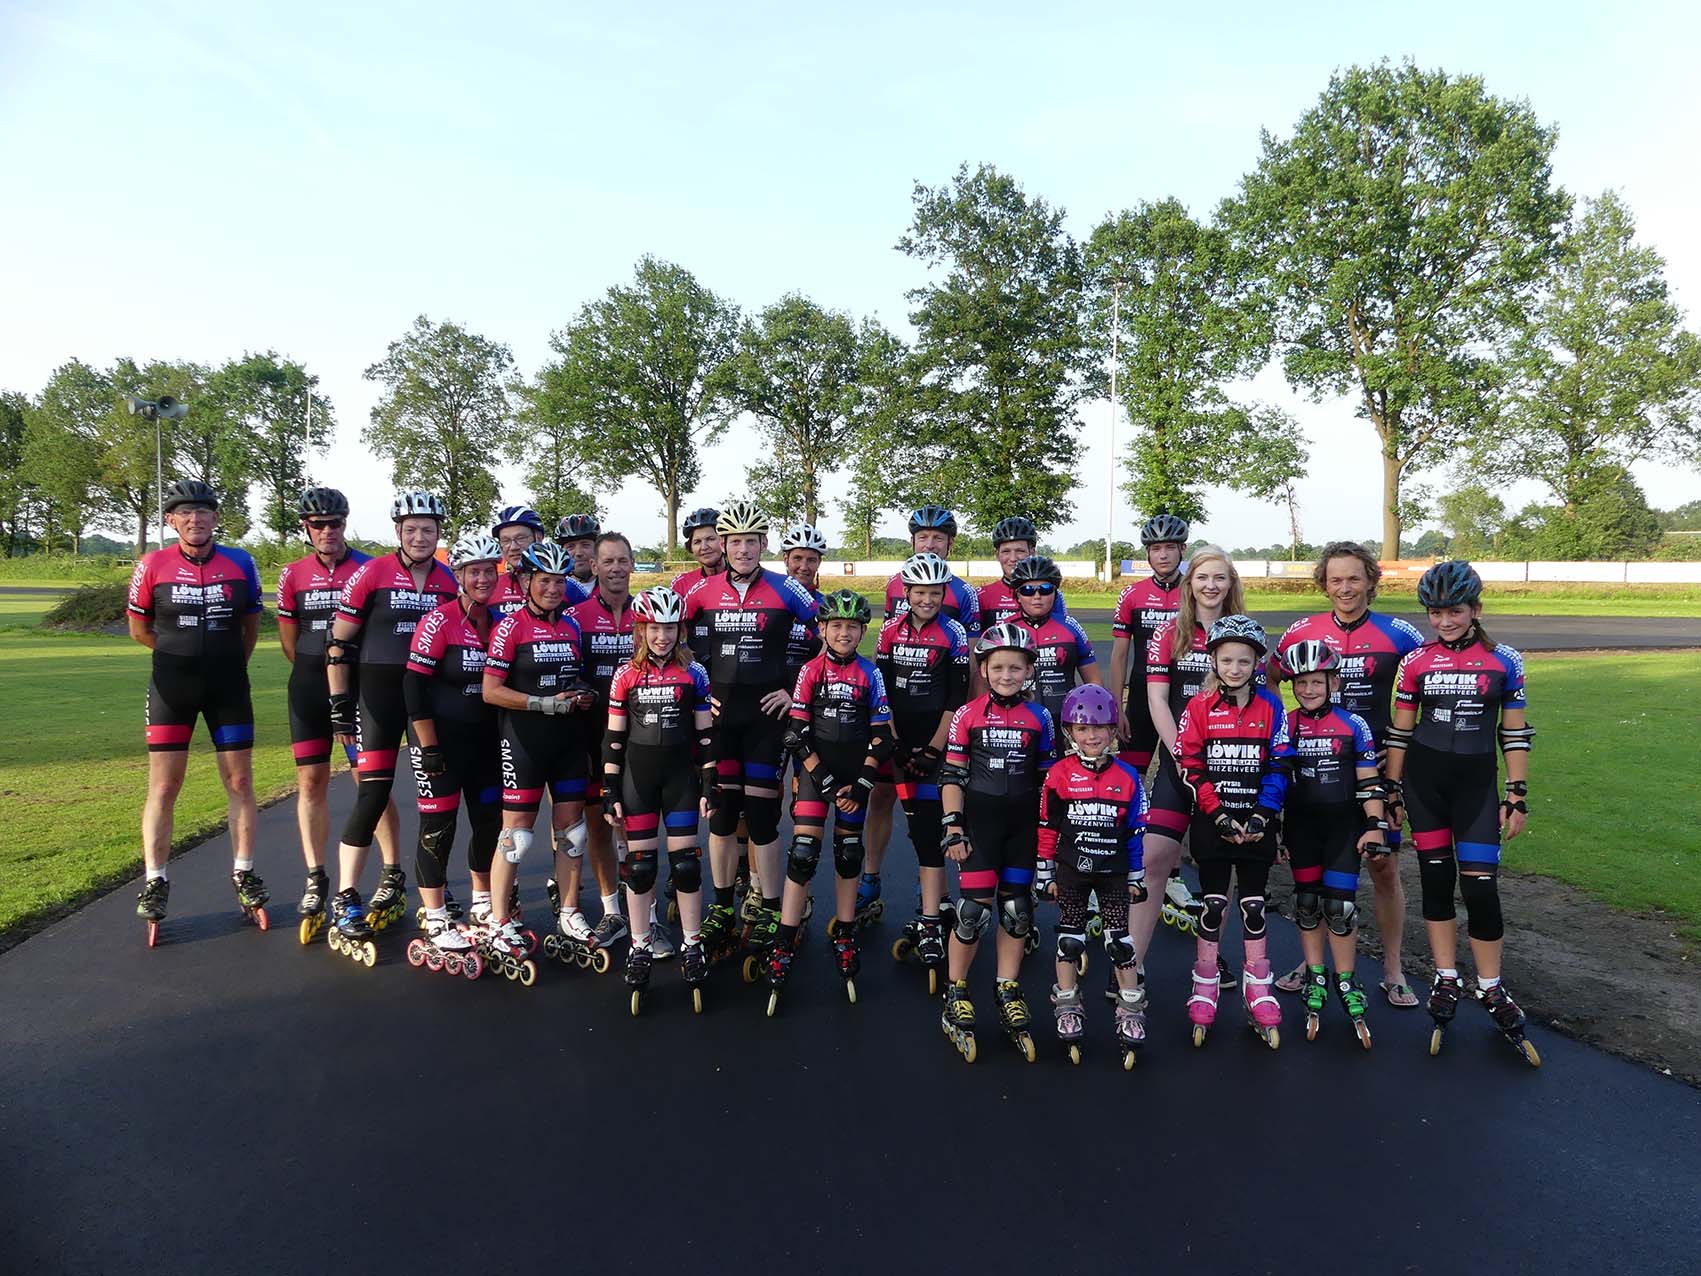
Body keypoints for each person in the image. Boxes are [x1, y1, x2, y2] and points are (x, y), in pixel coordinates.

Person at [1384, 561, 1538, 1066]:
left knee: (1480, 890)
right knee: (1435, 882)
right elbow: (1401, 731)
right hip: (1425, 787)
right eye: (1435, 612)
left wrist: (1516, 793)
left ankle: (1491, 985)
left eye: (1454, 611)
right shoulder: (1416, 661)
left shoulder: (1504, 660)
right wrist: (1392, 791)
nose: (1444, 621)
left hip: (1476, 790)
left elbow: (1513, 731)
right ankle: (1446, 977)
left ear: (1476, 609)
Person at [1272, 541, 1426, 1008]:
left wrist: (1399, 757)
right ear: (1324, 583)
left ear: (1371, 581)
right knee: (1316, 875)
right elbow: (1267, 678)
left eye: (1354, 578)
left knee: (1383, 867)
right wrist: (1279, 733)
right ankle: (1313, 964)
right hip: (1317, 771)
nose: (1345, 588)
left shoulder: (1398, 633)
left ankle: (1393, 968)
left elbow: (1427, 687)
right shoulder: (1302, 631)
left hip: (1374, 770)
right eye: (1335, 579)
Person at [680, 501, 820, 965]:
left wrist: (793, 690)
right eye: (735, 541)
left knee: (761, 818)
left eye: (751, 541)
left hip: (766, 717)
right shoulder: (701, 590)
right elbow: (671, 639)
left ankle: (771, 908)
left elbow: (828, 638)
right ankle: (722, 906)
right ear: (724, 545)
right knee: (721, 816)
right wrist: (700, 686)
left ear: (764, 544)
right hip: (720, 718)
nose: (742, 549)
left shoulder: (787, 588)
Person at [126, 478, 265, 943]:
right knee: (165, 786)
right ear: (171, 520)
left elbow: (250, 628)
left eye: (203, 511)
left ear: (215, 518)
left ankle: (244, 872)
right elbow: (139, 629)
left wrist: (223, 665)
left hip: (228, 688)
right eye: (185, 512)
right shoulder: (152, 564)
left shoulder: (241, 562)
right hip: (172, 687)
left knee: (240, 782)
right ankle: (155, 881)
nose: (195, 519)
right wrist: (180, 657)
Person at [323, 491, 457, 955]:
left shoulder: (448, 580)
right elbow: (338, 644)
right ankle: (346, 897)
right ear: (398, 530)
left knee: (435, 799)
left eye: (428, 529)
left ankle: (435, 888)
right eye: (411, 529)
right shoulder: (372, 573)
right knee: (372, 794)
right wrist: (339, 704)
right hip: (377, 701)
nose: (420, 537)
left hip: (427, 704)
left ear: (439, 532)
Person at [276, 487, 401, 943]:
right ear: (306, 528)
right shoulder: (292, 574)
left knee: (370, 784)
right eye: (318, 524)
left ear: (345, 523)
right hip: (309, 688)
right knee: (310, 783)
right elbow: (290, 642)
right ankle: (316, 877)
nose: (328, 531)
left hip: (360, 691)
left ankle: (391, 872)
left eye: (335, 523)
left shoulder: (370, 568)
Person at [1127, 545, 1251, 997]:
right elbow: (1157, 700)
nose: (1211, 585)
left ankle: (1209, 960)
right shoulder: (1169, 633)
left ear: (1231, 583)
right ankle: (1131, 964)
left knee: (1218, 867)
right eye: (1202, 577)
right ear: (1190, 583)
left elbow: (1256, 702)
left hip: (1231, 767)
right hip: (1180, 764)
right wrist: (1180, 756)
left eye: (1220, 577)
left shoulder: (1244, 632)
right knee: (1155, 857)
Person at [766, 590, 892, 1014]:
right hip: (816, 773)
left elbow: (882, 737)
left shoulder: (870, 673)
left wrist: (862, 784)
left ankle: (845, 930)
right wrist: (820, 776)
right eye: (836, 625)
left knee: (848, 853)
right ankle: (785, 938)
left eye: (852, 627)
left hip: (853, 776)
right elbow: (794, 732)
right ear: (821, 628)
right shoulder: (810, 671)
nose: (843, 633)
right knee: (803, 853)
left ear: (863, 631)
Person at [938, 623, 1056, 1064]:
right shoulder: (967, 715)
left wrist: (1052, 836)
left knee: (1017, 910)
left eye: (1016, 668)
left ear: (1029, 671)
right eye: (999, 667)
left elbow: (1048, 782)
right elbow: (953, 775)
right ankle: (956, 989)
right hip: (980, 826)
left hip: (1023, 829)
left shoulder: (1040, 718)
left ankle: (1008, 987)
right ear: (984, 669)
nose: (1007, 675)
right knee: (972, 912)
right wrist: (953, 826)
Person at [1175, 615, 1295, 1049]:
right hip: (1214, 823)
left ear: (1257, 663)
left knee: (1254, 907)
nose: (1235, 668)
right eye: (1227, 660)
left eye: (1244, 661)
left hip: (1257, 823)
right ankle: (1204, 983)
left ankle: (1258, 987)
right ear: (1213, 660)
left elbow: (1280, 763)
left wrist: (1263, 815)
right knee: (1212, 905)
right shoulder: (1198, 707)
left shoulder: (1271, 707)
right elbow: (1190, 765)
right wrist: (1219, 815)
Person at [480, 541, 596, 983]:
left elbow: (575, 677)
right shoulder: (510, 627)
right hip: (524, 741)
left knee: (573, 833)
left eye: (559, 581)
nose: (552, 589)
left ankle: (569, 912)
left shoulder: (571, 625)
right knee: (517, 838)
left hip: (567, 742)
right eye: (544, 580)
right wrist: (542, 704)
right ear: (526, 581)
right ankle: (499, 920)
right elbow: (491, 690)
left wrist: (583, 694)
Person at [603, 586, 715, 1014]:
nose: (662, 636)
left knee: (686, 865)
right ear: (641, 630)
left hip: (680, 779)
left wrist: (710, 781)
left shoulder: (695, 673)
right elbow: (614, 738)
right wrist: (610, 788)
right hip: (638, 779)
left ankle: (692, 944)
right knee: (640, 868)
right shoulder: (624, 674)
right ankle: (639, 945)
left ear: (680, 629)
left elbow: (705, 735)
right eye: (654, 628)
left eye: (669, 628)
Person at [866, 506, 980, 922]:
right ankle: (870, 878)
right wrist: (890, 736)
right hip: (897, 725)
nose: (930, 543)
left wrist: (946, 739)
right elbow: (881, 678)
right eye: (923, 537)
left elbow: (967, 672)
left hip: (939, 723)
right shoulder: (893, 597)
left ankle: (932, 888)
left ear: (950, 543)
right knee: (881, 797)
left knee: (933, 811)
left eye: (938, 538)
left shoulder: (963, 597)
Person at [401, 533, 505, 979]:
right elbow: (413, 687)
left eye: (488, 571)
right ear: (458, 576)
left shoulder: (501, 621)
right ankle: (436, 915)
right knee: (438, 827)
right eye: (473, 571)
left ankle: (482, 901)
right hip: (440, 740)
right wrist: (428, 747)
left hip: (485, 742)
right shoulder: (439, 621)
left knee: (489, 822)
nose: (482, 578)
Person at [1278, 641, 1387, 1048]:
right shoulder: (1286, 724)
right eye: (1300, 683)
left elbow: (1369, 780)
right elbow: (1276, 782)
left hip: (1344, 827)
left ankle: (1346, 979)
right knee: (1306, 903)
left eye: (1316, 682)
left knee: (1340, 908)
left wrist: (1375, 825)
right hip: (1301, 827)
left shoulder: (1354, 725)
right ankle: (1315, 974)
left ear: (1334, 683)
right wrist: (1275, 831)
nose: (1307, 690)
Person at [1038, 684, 1148, 1069]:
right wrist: (1044, 871)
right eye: (1083, 728)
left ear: (1113, 730)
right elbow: (1047, 826)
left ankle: (1130, 1009)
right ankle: (1067, 1003)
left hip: (1114, 872)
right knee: (1070, 940)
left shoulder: (1128, 777)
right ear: (1069, 731)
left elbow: (1135, 832)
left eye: (1100, 727)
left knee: (1121, 943)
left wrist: (1136, 876)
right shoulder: (1058, 774)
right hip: (1071, 870)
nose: (1091, 735)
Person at [876, 553, 972, 990]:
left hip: (938, 742)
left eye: (935, 593)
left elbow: (956, 698)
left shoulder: (954, 633)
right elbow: (882, 693)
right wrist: (896, 743)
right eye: (920, 593)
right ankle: (937, 907)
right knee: (918, 829)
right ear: (907, 593)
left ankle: (932, 917)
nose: (927, 600)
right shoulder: (889, 631)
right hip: (900, 743)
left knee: (934, 828)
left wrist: (935, 749)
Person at [1108, 514, 1194, 944]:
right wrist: (1116, 704)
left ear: (1181, 550)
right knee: (1129, 784)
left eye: (1169, 548)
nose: (1162, 555)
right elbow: (1120, 654)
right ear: (1147, 553)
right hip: (1142, 700)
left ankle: (1173, 874)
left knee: (1182, 784)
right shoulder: (1133, 594)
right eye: (1155, 548)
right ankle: (1122, 864)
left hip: (1183, 699)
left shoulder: (1193, 591)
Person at [561, 531, 639, 954]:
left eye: (622, 560)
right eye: (607, 561)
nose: (615, 568)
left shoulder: (647, 613)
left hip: (640, 736)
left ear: (632, 564)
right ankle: (612, 910)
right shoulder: (575, 616)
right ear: (594, 566)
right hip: (591, 735)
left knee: (638, 827)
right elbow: (562, 670)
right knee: (598, 824)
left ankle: (642, 909)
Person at [1009, 554, 1100, 732]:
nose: (1037, 596)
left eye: (1045, 589)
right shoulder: (1005, 628)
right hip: (1018, 722)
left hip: (1065, 720)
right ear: (1017, 595)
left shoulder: (1071, 626)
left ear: (1055, 593)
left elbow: (1094, 681)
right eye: (1027, 590)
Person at [976, 515, 1068, 630]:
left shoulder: (1049, 593)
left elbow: (1061, 632)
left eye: (1020, 551)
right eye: (1006, 551)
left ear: (1032, 552)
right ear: (997, 555)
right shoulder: (981, 596)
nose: (1013, 558)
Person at [671, 507, 726, 666]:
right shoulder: (682, 583)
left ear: (723, 541)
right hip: (694, 665)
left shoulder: (739, 578)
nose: (704, 547)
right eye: (697, 542)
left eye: (710, 539)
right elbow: (671, 628)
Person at [779, 523, 827, 688]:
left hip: (810, 689)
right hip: (770, 691)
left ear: (819, 562)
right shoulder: (768, 598)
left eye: (811, 560)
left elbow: (834, 648)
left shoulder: (826, 605)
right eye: (797, 558)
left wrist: (805, 686)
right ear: (786, 559)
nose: (804, 567)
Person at [490, 505, 552, 616]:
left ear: (538, 538)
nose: (513, 547)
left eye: (520, 538)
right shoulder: (491, 587)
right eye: (505, 540)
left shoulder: (567, 586)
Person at [554, 512, 600, 599]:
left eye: (585, 545)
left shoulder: (610, 587)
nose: (578, 553)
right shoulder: (554, 591)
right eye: (570, 547)